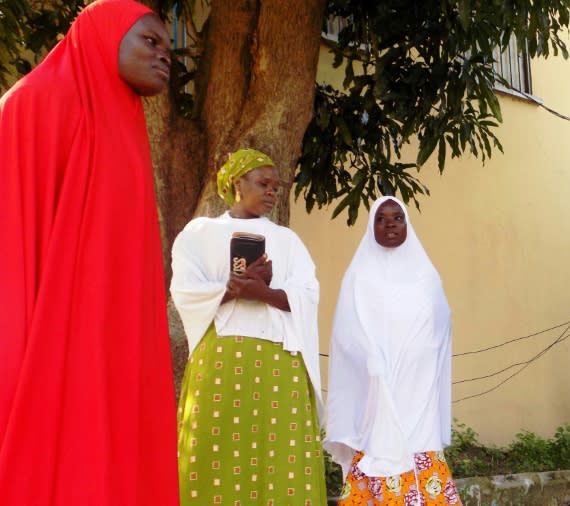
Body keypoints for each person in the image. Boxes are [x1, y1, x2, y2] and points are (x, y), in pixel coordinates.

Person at [0, 0, 179, 503]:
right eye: (151, 42)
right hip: (45, 343)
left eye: (169, 48)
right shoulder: (34, 103)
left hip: (114, 347)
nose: (166, 56)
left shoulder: (124, 123)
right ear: (104, 36)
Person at [171, 148, 327, 505]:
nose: (272, 191)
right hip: (221, 362)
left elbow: (308, 297)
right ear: (237, 183)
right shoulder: (200, 233)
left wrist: (265, 293)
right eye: (263, 183)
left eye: (277, 186)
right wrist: (231, 288)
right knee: (214, 451)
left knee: (280, 456)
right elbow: (184, 291)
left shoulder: (289, 242)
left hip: (279, 364)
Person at [325, 196, 462, 505]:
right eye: (381, 218)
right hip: (376, 383)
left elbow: (441, 322)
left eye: (397, 218)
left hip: (418, 385)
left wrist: (422, 352)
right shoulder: (359, 276)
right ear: (371, 225)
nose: (390, 224)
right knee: (380, 442)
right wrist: (370, 358)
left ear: (407, 224)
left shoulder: (425, 275)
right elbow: (346, 331)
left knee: (418, 441)